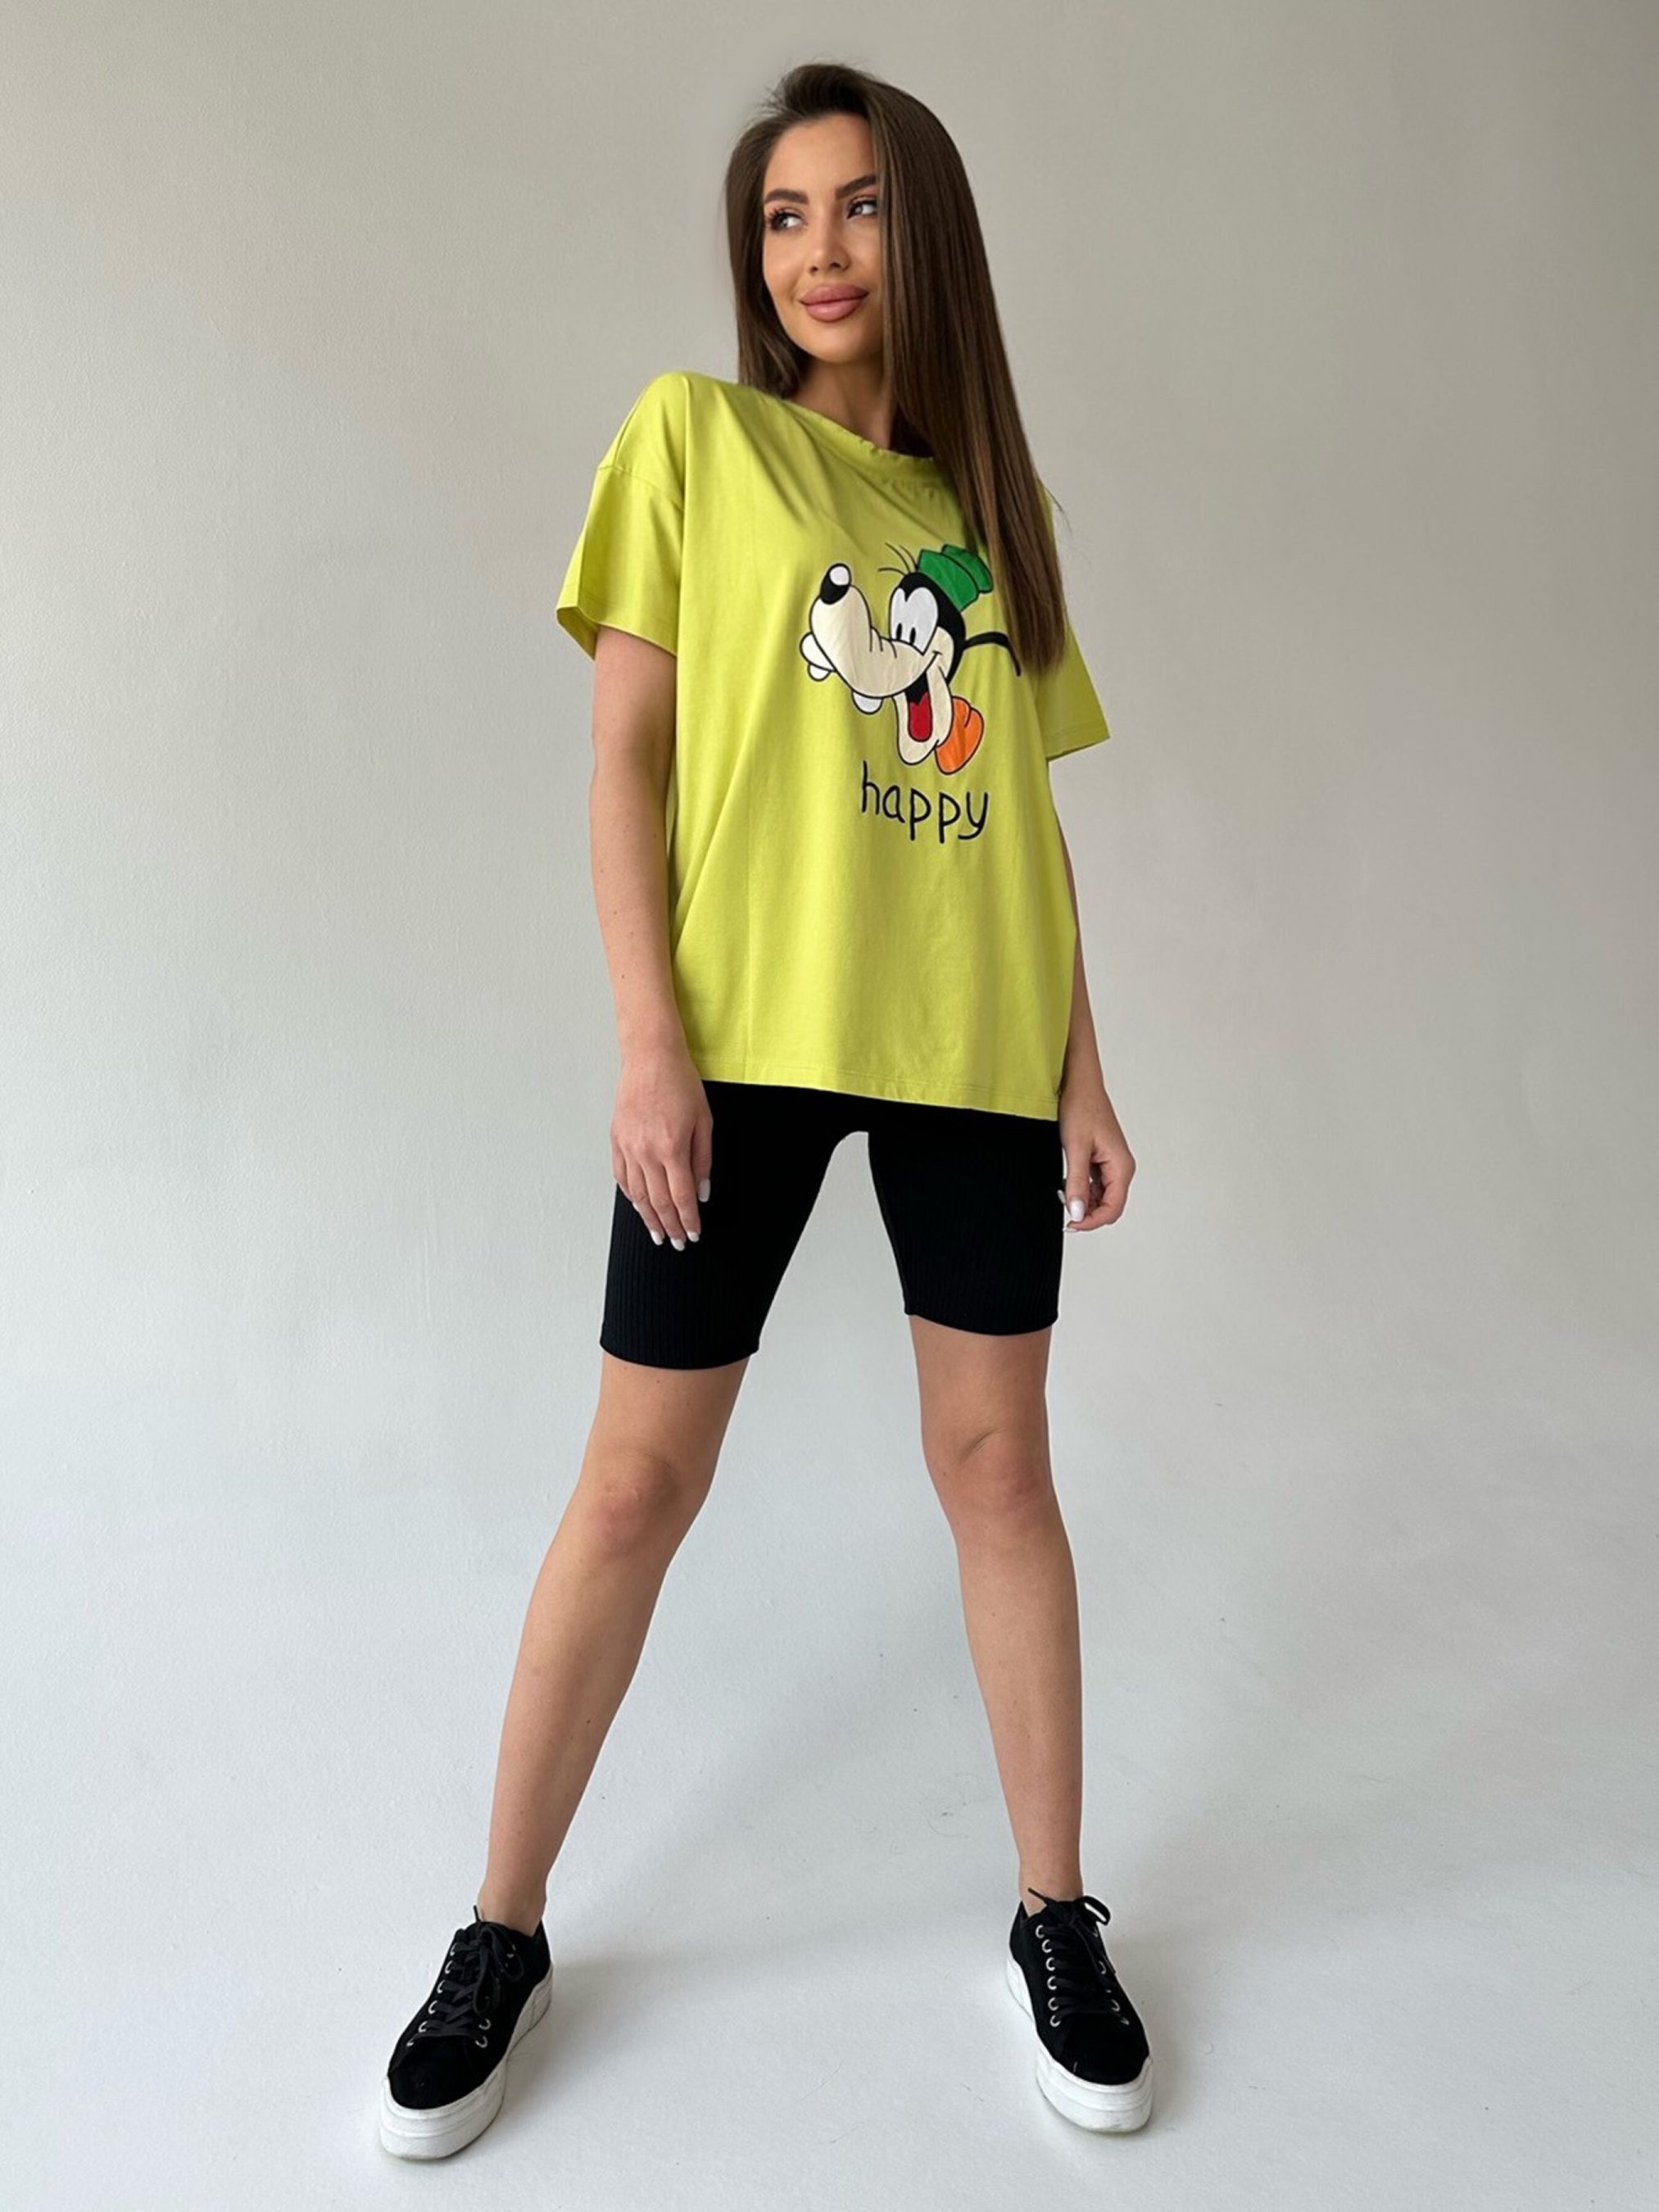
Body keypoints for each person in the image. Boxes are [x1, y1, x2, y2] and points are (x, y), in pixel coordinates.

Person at [377, 60, 1152, 2159]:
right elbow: (621, 759)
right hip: (741, 1042)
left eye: (858, 206)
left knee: (998, 1474)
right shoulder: (694, 441)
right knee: (634, 1483)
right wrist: (649, 1041)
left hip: (973, 1047)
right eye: (783, 216)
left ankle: (1055, 1912)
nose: (816, 250)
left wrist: (1082, 1071)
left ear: (927, 232)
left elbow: (1022, 823)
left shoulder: (995, 520)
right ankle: (499, 1928)